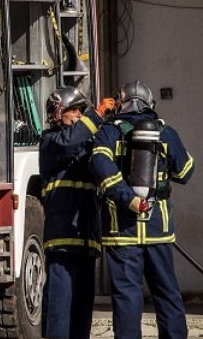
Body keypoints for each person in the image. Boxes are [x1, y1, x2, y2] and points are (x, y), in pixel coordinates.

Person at [89, 81, 196, 339]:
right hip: (158, 228)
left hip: (121, 229)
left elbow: (98, 164)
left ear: (120, 103)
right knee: (166, 293)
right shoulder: (165, 131)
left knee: (127, 296)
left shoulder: (108, 132)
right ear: (150, 104)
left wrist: (126, 197)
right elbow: (185, 172)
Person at [39, 87, 114, 339]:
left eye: (82, 113)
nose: (80, 117)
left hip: (86, 239)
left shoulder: (86, 145)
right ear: (62, 114)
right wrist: (96, 116)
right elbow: (69, 142)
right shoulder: (51, 142)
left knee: (83, 311)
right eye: (77, 113)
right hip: (62, 240)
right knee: (59, 310)